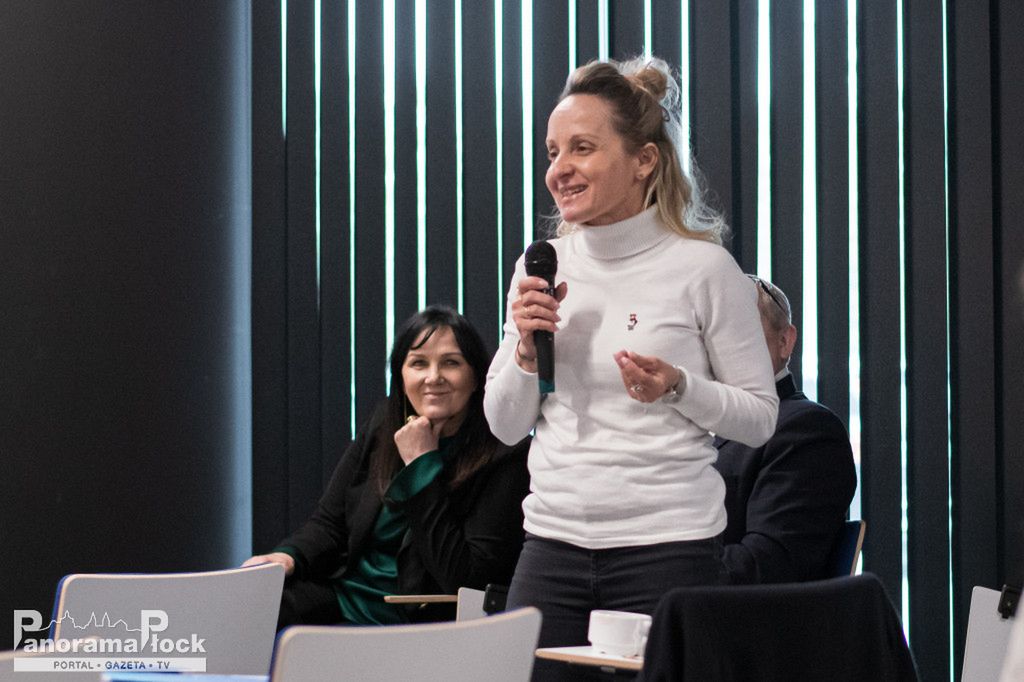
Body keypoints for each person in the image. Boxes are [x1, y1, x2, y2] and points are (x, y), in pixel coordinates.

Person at [483, 57, 778, 680]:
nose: (558, 170)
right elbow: (506, 426)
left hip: (669, 552)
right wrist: (525, 354)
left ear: (644, 160)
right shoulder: (541, 266)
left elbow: (759, 419)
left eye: (582, 149)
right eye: (552, 151)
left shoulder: (704, 269)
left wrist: (679, 387)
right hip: (551, 550)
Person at [244, 306, 531, 627]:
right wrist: (289, 556)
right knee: (253, 608)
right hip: (347, 597)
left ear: (477, 376)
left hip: (419, 615)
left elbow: (464, 576)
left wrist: (422, 464)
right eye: (418, 363)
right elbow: (330, 523)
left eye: (451, 363)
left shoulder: (505, 453)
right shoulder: (384, 424)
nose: (433, 377)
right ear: (401, 375)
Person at [713, 275, 857, 584]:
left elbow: (766, 566)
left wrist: (655, 567)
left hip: (733, 623)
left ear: (785, 341)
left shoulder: (807, 431)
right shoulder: (687, 429)